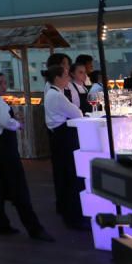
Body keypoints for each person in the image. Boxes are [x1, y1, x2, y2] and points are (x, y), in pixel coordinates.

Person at [0, 71, 54, 241]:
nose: (3, 86)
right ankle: (34, 229)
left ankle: (0, 223)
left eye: (5, 82)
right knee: (18, 186)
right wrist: (18, 124)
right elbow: (6, 122)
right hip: (3, 147)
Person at [43, 64, 88, 230]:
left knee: (65, 175)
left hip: (58, 136)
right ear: (57, 78)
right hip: (64, 137)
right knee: (72, 176)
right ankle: (74, 217)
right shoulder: (57, 95)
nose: (69, 79)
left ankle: (69, 213)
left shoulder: (52, 93)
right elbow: (77, 113)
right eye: (66, 76)